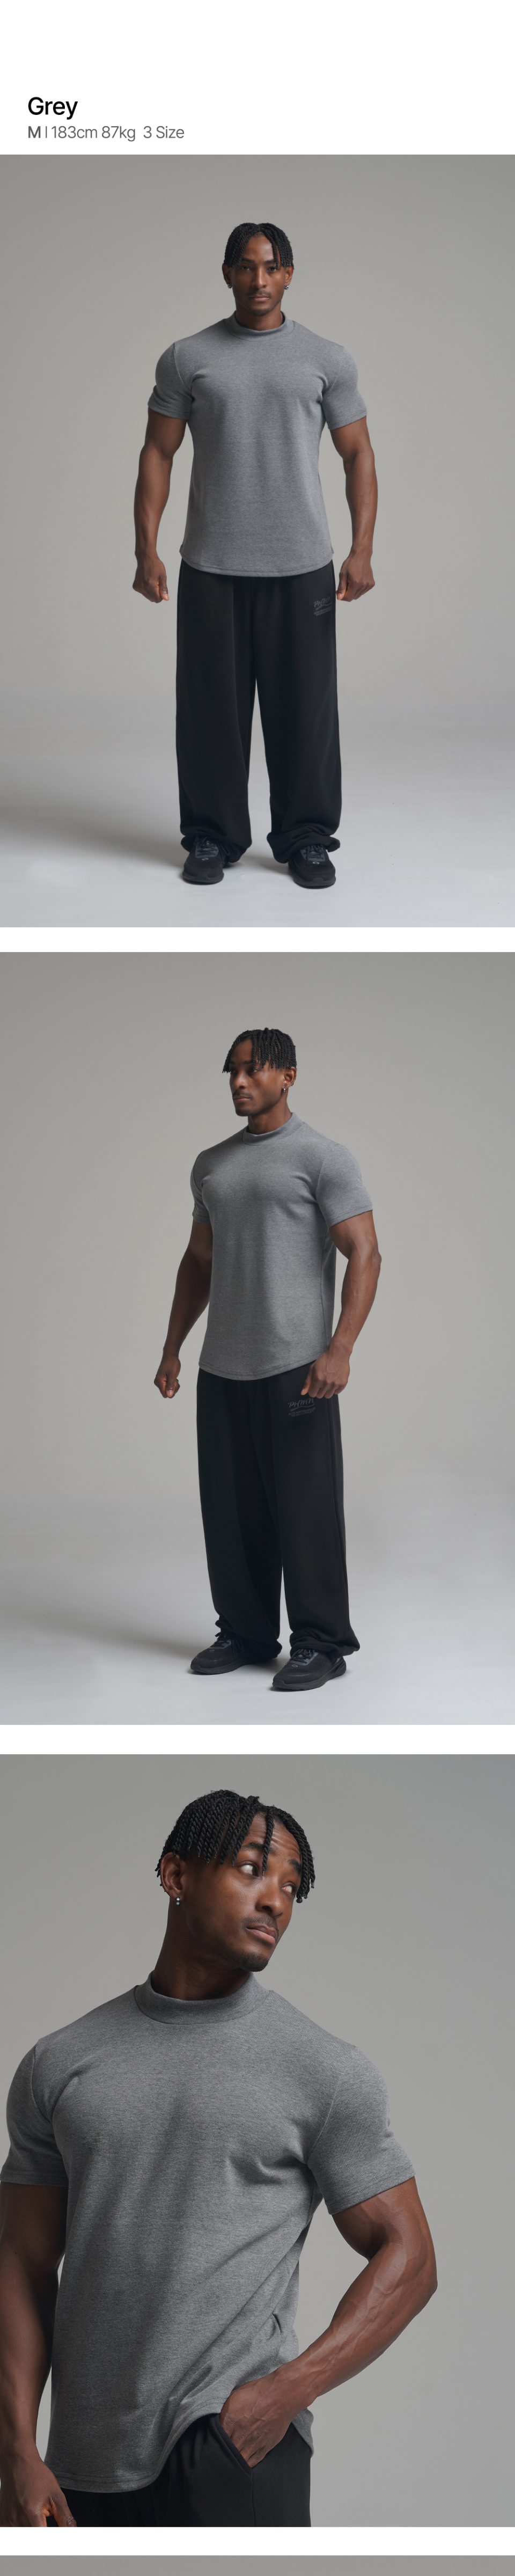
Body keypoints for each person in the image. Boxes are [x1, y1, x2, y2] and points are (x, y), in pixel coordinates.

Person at [0, 1789, 437, 2529]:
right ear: (176, 1875)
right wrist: (16, 2449)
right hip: (77, 2469)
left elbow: (412, 2257)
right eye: (251, 1869)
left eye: (291, 1887)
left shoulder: (323, 2069)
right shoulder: (61, 2063)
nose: (275, 1901)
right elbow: (21, 2261)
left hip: (230, 2446)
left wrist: (288, 2391)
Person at [133, 220, 377, 892]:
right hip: (212, 566)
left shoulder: (326, 359)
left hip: (302, 567)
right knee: (210, 710)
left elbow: (358, 452)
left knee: (306, 711)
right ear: (228, 274)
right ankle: (211, 836)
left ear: (289, 275)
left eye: (271, 267)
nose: (259, 280)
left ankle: (306, 839)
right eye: (246, 267)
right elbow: (158, 451)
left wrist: (361, 549)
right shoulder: (188, 357)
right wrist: (145, 548)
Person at [154, 1024, 381, 1691]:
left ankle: (321, 1643)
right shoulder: (211, 1165)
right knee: (232, 1513)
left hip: (298, 1368)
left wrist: (340, 1349)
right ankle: (247, 1633)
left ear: (288, 1076)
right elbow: (199, 1261)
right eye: (233, 1071)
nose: (240, 1081)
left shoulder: (322, 1158)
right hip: (223, 1366)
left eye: (254, 1070)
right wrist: (172, 1347)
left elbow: (365, 1253)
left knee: (306, 1512)